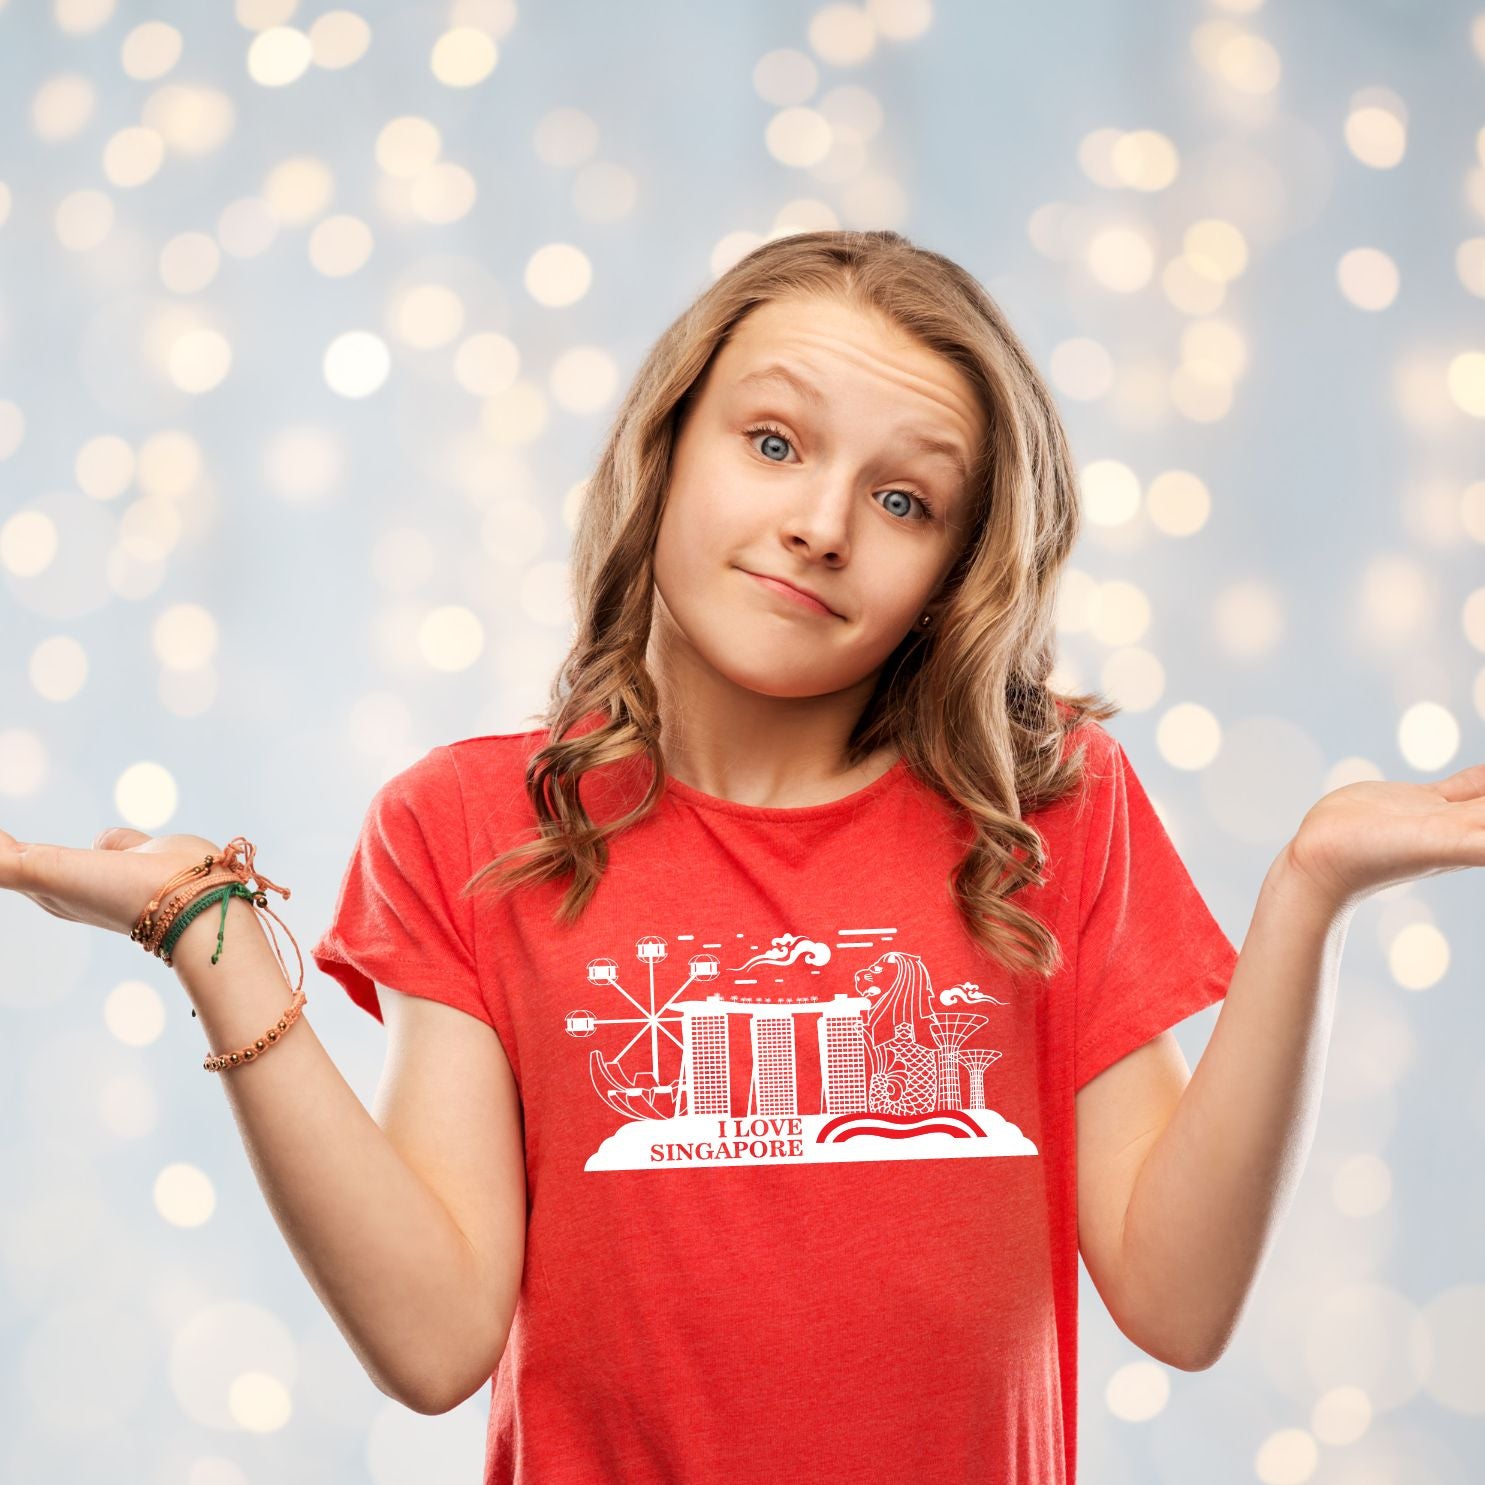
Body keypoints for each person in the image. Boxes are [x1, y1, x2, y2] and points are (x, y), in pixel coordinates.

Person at [7, 229, 1479, 1485]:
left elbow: (1176, 1297)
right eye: (771, 442)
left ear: (955, 571)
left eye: (904, 498)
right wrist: (214, 935)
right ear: (667, 451)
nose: (820, 523)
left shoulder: (1046, 813)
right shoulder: (465, 825)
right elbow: (433, 1336)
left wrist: (1308, 894)